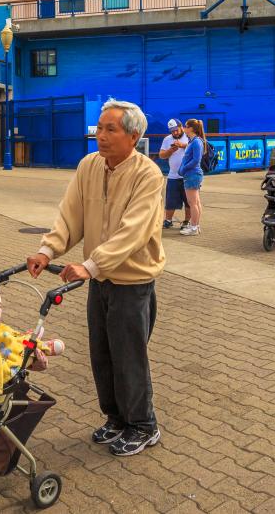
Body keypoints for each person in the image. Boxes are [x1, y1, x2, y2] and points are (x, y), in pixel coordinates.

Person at [25, 99, 164, 458]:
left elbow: (133, 232)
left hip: (132, 283)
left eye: (110, 129)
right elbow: (70, 216)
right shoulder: (89, 166)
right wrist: (47, 251)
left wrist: (91, 264)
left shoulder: (148, 175)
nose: (100, 136)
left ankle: (144, 424)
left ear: (133, 135)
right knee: (102, 355)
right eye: (99, 128)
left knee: (128, 356)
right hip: (101, 281)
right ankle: (117, 418)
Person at [157, 119, 189, 229]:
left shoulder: (189, 137)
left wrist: (182, 145)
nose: (174, 133)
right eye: (172, 131)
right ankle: (168, 220)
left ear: (181, 127)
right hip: (173, 175)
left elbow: (198, 148)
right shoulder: (167, 139)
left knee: (188, 201)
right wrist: (170, 150)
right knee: (170, 200)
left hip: (188, 176)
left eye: (176, 130)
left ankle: (187, 222)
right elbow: (161, 155)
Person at [176, 119, 205, 236]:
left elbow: (196, 160)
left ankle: (193, 227)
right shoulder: (193, 141)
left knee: (192, 203)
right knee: (196, 202)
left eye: (186, 126)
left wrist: (183, 169)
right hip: (192, 174)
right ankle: (196, 226)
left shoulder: (196, 142)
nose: (184, 127)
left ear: (192, 128)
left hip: (192, 174)